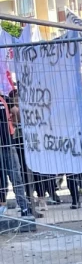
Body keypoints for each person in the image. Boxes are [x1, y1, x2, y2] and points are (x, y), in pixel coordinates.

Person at [0, 89, 33, 222]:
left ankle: (24, 207)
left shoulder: (4, 98)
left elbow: (16, 112)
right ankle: (2, 206)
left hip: (8, 144)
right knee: (1, 180)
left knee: (16, 177)